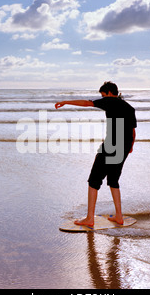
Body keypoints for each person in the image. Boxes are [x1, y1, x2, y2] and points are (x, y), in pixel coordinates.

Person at [55, 81, 137, 226]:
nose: (103, 98)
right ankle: (119, 217)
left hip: (111, 146)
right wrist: (130, 147)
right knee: (113, 180)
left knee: (94, 181)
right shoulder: (129, 108)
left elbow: (87, 103)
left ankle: (89, 219)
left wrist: (65, 101)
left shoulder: (110, 101)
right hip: (124, 147)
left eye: (103, 95)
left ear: (110, 93)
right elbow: (132, 131)